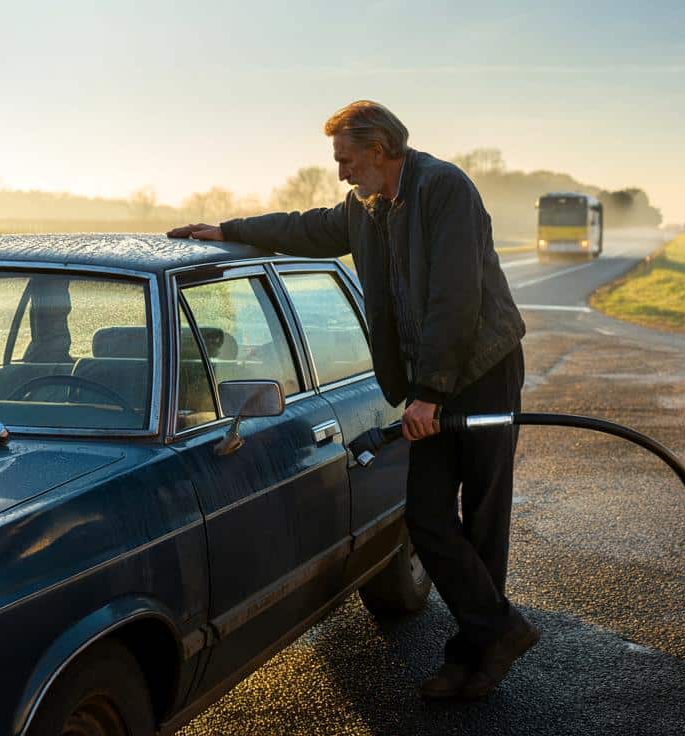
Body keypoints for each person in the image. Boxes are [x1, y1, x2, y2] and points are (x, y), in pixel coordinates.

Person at [167, 100, 537, 699]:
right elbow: (305, 228)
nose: (339, 172)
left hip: (483, 371)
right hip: (430, 384)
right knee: (428, 516)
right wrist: (228, 231)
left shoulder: (446, 190)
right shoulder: (364, 206)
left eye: (344, 159)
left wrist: (430, 395)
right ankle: (500, 630)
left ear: (379, 149)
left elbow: (456, 301)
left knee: (484, 518)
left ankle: (475, 659)